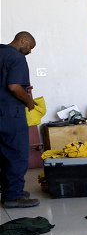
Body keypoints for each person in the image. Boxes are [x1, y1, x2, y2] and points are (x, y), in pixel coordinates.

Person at [0, 32, 38, 209]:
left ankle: (9, 191)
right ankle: (13, 197)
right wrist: (29, 101)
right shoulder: (17, 57)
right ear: (22, 40)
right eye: (30, 46)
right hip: (10, 113)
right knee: (17, 154)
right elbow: (14, 86)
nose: (29, 51)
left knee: (3, 155)